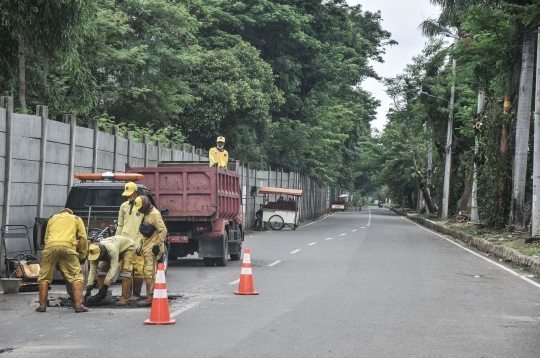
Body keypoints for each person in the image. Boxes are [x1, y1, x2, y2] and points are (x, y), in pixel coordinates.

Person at [36, 208, 89, 313]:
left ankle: (42, 306)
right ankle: (79, 306)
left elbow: (46, 238)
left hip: (50, 248)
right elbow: (83, 238)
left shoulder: (52, 219)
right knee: (76, 276)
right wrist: (82, 255)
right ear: (70, 213)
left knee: (44, 277)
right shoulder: (76, 218)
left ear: (61, 213)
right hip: (67, 248)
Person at [135, 196, 168, 307]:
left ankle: (150, 298)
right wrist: (140, 244)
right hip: (147, 247)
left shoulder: (154, 214)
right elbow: (145, 232)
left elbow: (163, 231)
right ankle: (151, 296)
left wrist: (157, 245)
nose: (139, 210)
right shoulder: (146, 214)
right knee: (148, 272)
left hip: (152, 249)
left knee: (150, 272)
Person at [116, 181, 145, 303]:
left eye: (130, 194)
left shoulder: (143, 206)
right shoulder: (124, 206)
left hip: (137, 241)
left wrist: (140, 242)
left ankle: (136, 294)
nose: (128, 197)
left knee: (138, 268)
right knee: (125, 269)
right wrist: (116, 240)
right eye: (127, 195)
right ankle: (126, 294)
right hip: (125, 242)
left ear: (136, 193)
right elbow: (120, 224)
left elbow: (145, 226)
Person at [85, 235, 135, 305]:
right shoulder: (93, 251)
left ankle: (124, 298)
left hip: (128, 247)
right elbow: (92, 270)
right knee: (101, 270)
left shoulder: (112, 250)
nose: (97, 259)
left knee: (126, 271)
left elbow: (113, 268)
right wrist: (89, 287)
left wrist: (105, 286)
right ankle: (103, 296)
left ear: (102, 253)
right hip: (117, 247)